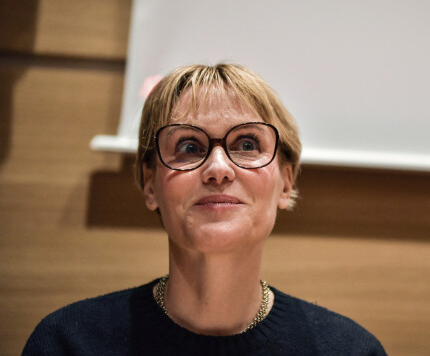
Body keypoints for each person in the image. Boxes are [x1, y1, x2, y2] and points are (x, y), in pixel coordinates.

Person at [23, 63, 387, 355]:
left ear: (286, 182)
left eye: (247, 143)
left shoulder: (351, 350)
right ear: (150, 184)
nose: (217, 169)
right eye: (188, 146)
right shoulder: (67, 344)